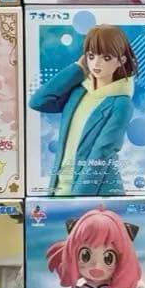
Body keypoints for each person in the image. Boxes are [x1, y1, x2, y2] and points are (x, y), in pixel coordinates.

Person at [29, 25, 137, 195]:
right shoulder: (79, 92)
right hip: (59, 188)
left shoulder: (121, 102)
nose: (96, 63)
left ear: (121, 61)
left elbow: (102, 153)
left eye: (106, 57)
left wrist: (79, 199)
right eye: (91, 56)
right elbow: (38, 102)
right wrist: (77, 69)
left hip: (95, 192)